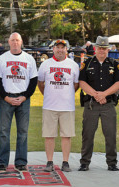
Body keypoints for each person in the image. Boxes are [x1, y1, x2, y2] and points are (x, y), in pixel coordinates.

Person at [78, 36, 119, 171]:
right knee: (87, 134)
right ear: (95, 48)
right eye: (99, 48)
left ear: (108, 50)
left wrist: (104, 94)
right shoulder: (87, 63)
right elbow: (82, 83)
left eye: (104, 48)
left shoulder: (114, 64)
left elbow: (118, 83)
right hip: (91, 104)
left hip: (108, 104)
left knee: (110, 134)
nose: (102, 51)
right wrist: (97, 95)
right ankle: (84, 162)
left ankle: (112, 163)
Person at [0, 32, 38, 172]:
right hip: (7, 99)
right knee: (4, 132)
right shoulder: (2, 59)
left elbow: (33, 81)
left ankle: (20, 161)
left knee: (23, 132)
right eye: (12, 40)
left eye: (17, 40)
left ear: (21, 42)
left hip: (23, 99)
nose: (15, 43)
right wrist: (6, 97)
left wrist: (24, 97)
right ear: (9, 42)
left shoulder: (29, 59)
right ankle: (2, 162)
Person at [38, 39, 79, 172]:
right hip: (50, 105)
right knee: (49, 135)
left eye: (63, 47)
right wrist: (49, 94)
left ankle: (65, 162)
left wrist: (66, 94)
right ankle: (49, 162)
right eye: (58, 47)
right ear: (53, 49)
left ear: (66, 50)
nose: (60, 50)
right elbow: (41, 84)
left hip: (67, 106)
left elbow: (76, 85)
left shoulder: (73, 65)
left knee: (66, 135)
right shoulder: (45, 65)